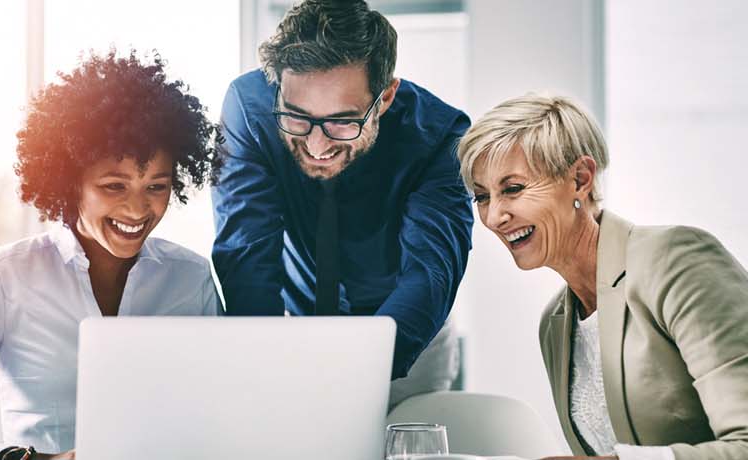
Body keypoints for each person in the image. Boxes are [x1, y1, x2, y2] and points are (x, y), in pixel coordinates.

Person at [0, 49, 222, 460]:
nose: (137, 210)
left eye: (156, 187)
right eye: (114, 186)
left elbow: (221, 414)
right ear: (71, 182)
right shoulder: (3, 278)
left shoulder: (191, 279)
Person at [459, 93, 748, 460]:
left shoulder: (676, 260)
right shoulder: (556, 323)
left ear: (580, 178)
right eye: (481, 197)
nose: (494, 217)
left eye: (513, 189)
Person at [210, 0, 472, 403]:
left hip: (407, 341)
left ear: (384, 98)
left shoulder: (440, 136)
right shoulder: (249, 109)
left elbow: (429, 273)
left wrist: (349, 373)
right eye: (297, 117)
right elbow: (246, 253)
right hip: (294, 330)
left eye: (342, 121)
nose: (317, 144)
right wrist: (260, 364)